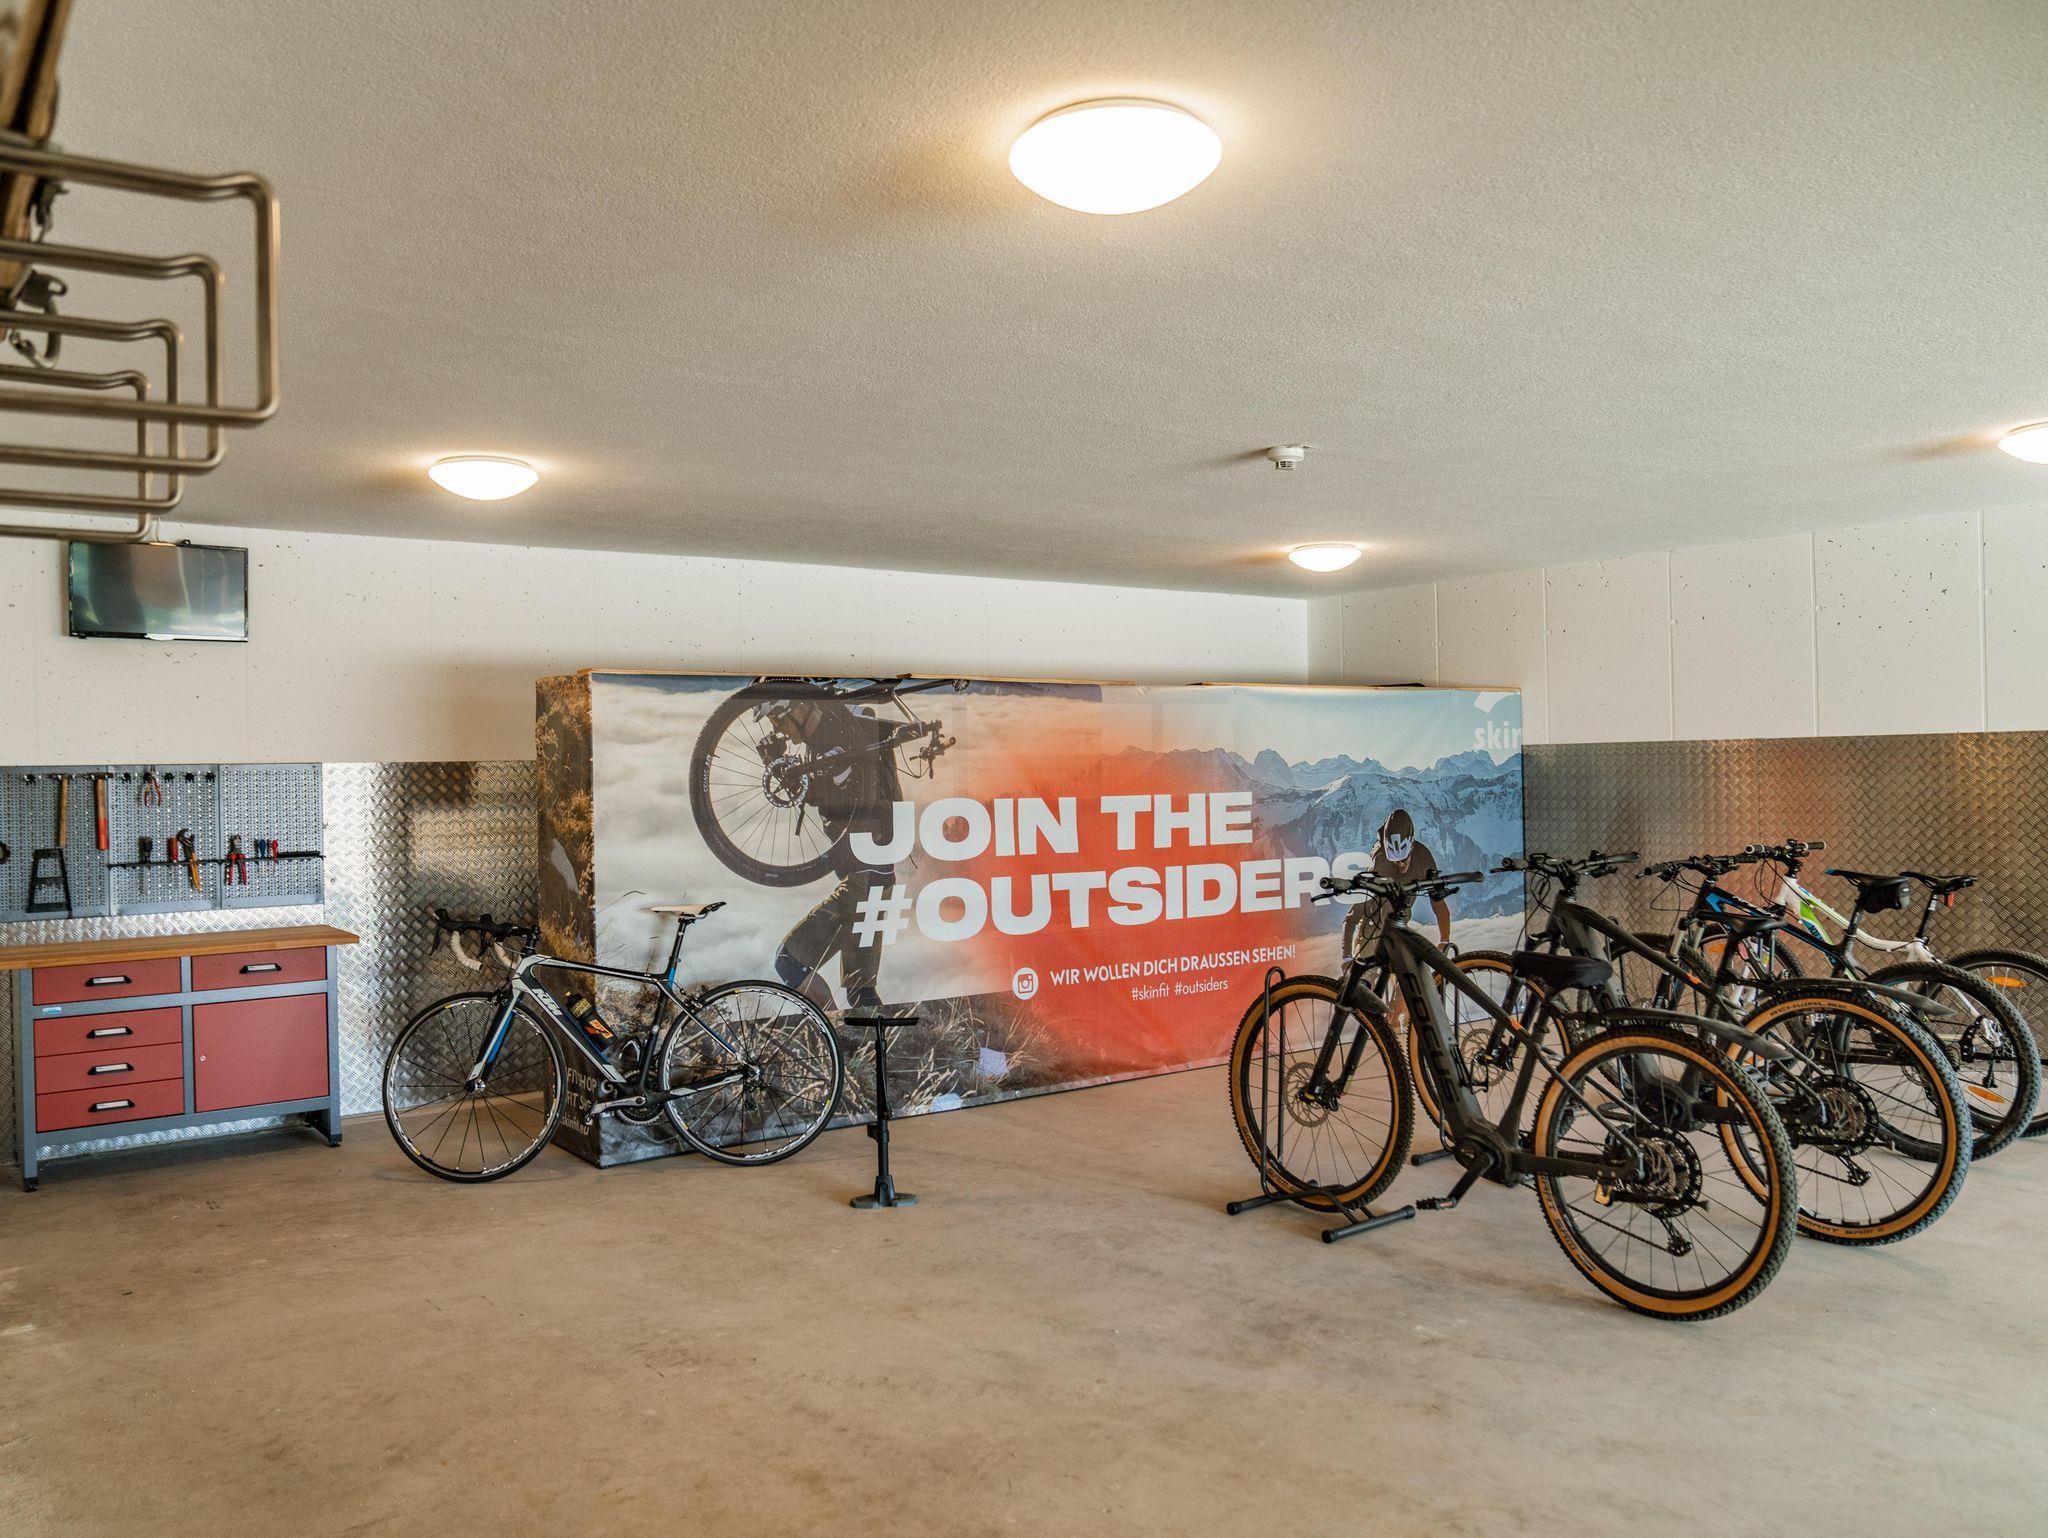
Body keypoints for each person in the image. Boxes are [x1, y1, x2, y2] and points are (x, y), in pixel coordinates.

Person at [771, 694, 902, 1011]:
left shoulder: (840, 736)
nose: (779, 730)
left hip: (863, 880)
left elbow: (844, 793)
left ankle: (833, 1030)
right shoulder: (832, 735)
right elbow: (825, 794)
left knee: (789, 961)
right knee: (861, 991)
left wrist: (789, 772)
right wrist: (784, 771)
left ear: (799, 707)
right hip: (877, 878)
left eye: (778, 719)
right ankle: (847, 1033)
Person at [1343, 807, 1454, 956]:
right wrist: (1347, 956)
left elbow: (1438, 903)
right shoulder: (1379, 863)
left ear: (1412, 847)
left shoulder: (1423, 857)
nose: (1400, 865)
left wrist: (1444, 940)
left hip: (1399, 927)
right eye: (1395, 862)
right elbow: (1353, 916)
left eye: (1403, 860)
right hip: (1371, 931)